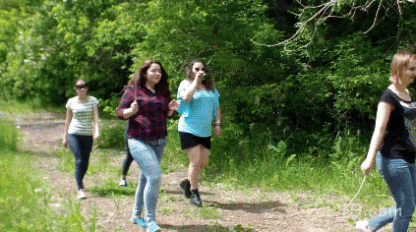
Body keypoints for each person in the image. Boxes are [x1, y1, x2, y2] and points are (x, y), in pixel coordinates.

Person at [116, 59, 180, 232]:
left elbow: (165, 114)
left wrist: (171, 109)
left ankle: (136, 215)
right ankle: (151, 222)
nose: (157, 74)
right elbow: (120, 112)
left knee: (145, 179)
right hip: (137, 139)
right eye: (154, 71)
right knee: (155, 177)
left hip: (159, 140)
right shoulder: (133, 90)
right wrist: (132, 111)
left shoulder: (162, 91)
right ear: (144, 73)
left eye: (159, 71)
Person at [356, 52, 416, 232]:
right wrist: (369, 159)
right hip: (392, 158)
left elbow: (411, 127)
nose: (415, 72)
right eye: (411, 69)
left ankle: (370, 224)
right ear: (400, 69)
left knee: (408, 203)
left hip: (408, 157)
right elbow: (379, 130)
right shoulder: (388, 97)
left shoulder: (408, 93)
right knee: (406, 207)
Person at [177, 60, 221, 207]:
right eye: (197, 69)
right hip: (188, 128)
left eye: (203, 69)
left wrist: (218, 124)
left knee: (203, 163)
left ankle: (186, 183)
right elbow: (186, 98)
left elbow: (217, 107)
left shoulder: (211, 89)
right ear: (191, 70)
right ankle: (195, 193)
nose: (200, 71)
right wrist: (195, 81)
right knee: (195, 162)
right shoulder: (185, 84)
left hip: (205, 130)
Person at [62, 79, 100, 200]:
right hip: (73, 133)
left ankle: (80, 180)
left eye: (84, 86)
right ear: (75, 89)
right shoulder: (71, 102)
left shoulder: (93, 100)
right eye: (79, 87)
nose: (82, 88)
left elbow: (95, 118)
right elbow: (67, 120)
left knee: (85, 161)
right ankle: (80, 189)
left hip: (87, 134)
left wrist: (97, 131)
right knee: (79, 160)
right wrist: (65, 136)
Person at [119, 120, 134, 187]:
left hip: (145, 134)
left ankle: (146, 179)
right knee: (130, 156)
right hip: (131, 132)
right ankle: (123, 178)